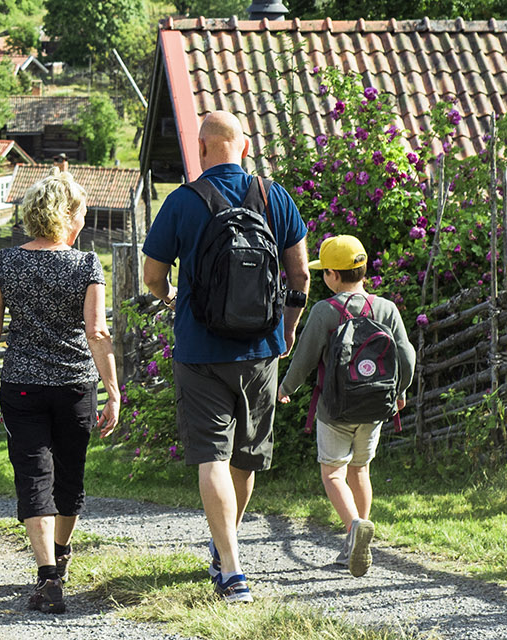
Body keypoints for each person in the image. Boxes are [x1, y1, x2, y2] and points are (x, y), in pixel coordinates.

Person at [141, 111, 309, 604]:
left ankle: (231, 569)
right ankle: (225, 547)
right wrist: (287, 330)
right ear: (245, 147)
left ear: (201, 149)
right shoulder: (275, 197)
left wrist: (170, 294)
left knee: (211, 456)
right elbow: (300, 275)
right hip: (260, 351)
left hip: (199, 351)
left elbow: (152, 275)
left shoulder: (182, 201)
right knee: (245, 458)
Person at [0, 169, 121, 615]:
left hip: (22, 385)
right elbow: (97, 332)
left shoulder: (4, 262)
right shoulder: (86, 265)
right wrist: (113, 391)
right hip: (76, 386)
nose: (84, 219)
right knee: (69, 474)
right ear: (67, 215)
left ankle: (48, 576)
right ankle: (60, 554)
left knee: (34, 476)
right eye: (82, 211)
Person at [277, 235, 416, 578]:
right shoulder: (386, 309)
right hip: (375, 407)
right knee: (360, 470)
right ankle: (357, 539)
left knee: (333, 473)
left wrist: (285, 387)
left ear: (333, 276)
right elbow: (407, 355)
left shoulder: (325, 311)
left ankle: (354, 527)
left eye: (324, 271)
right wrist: (400, 390)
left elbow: (305, 358)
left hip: (335, 409)